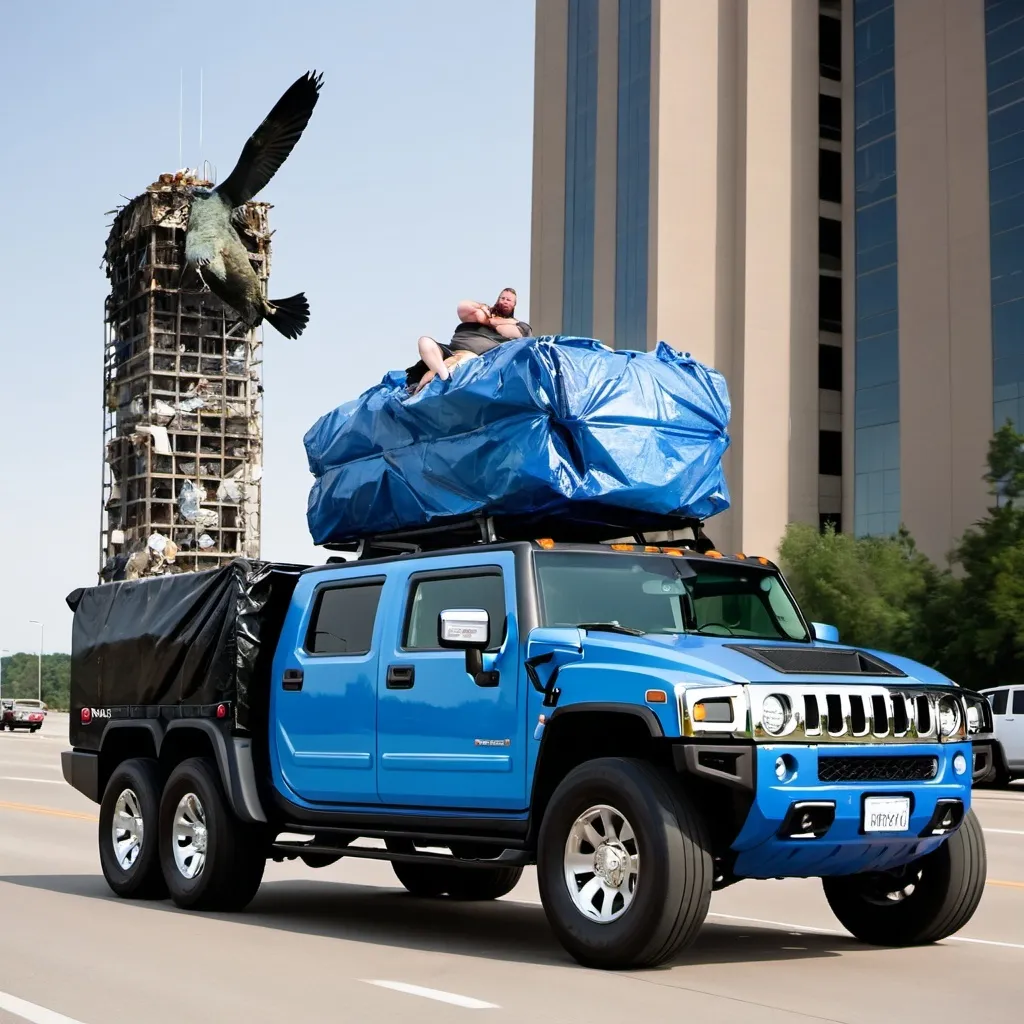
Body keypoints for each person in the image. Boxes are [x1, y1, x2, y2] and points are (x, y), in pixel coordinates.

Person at [407, 288, 533, 392]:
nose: (505, 301)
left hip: (474, 358)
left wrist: (490, 322)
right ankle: (441, 375)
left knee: (460, 361)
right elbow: (463, 307)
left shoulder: (516, 324)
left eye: (508, 300)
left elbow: (514, 332)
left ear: (514, 304)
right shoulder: (482, 313)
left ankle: (436, 379)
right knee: (425, 342)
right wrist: (483, 309)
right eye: (502, 298)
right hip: (451, 350)